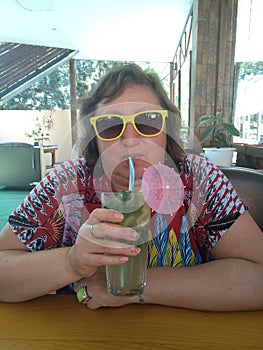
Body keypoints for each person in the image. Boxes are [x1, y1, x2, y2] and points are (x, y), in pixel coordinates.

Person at [0, 64, 263, 311]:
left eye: (148, 121)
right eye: (110, 125)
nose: (130, 139)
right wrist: (71, 261)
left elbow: (258, 274)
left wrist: (136, 287)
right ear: (95, 138)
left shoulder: (198, 180)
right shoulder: (66, 183)